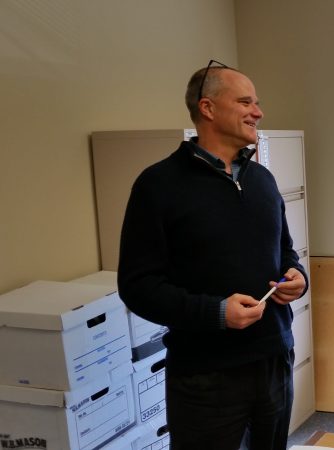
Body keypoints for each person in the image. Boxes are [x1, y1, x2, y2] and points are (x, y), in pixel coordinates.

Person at [118, 61, 308, 450]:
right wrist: (216, 313)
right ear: (207, 108)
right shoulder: (158, 185)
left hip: (273, 359)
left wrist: (297, 275)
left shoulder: (262, 179)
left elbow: (284, 249)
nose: (258, 112)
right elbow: (137, 286)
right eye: (245, 102)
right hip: (205, 374)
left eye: (257, 103)